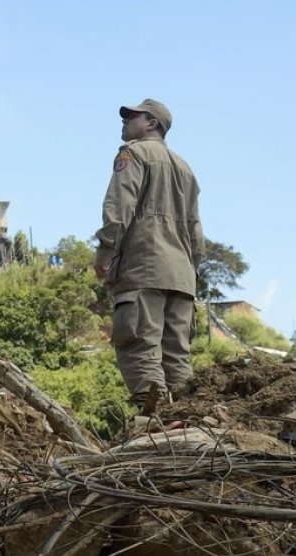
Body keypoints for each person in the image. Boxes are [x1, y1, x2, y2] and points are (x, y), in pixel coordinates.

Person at [92, 99, 204, 412]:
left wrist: (104, 254)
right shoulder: (186, 169)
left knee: (139, 346)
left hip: (144, 266)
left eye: (133, 116)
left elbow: (119, 208)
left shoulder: (134, 154)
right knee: (177, 355)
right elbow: (196, 233)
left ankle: (156, 421)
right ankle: (188, 419)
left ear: (152, 123)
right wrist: (189, 270)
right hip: (182, 277)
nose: (125, 121)